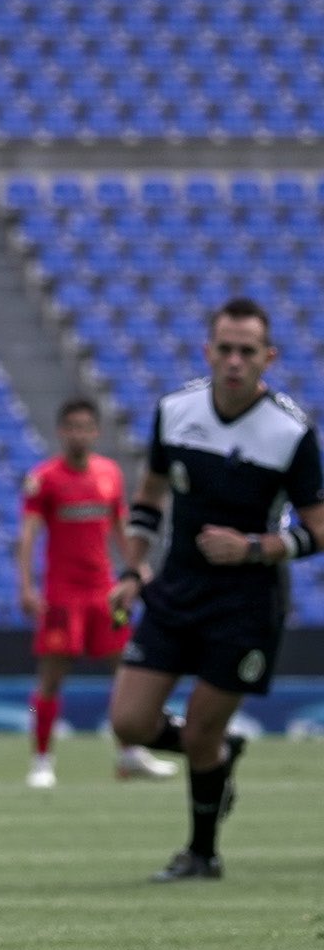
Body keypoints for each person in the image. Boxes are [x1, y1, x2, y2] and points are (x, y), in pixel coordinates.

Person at [108, 298, 323, 881]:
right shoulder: (175, 411)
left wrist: (254, 547)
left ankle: (202, 854)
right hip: (176, 588)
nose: (234, 361)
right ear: (207, 351)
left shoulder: (291, 431)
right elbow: (150, 497)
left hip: (247, 602)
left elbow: (318, 528)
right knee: (128, 722)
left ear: (267, 358)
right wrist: (132, 571)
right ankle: (220, 761)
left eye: (247, 351)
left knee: (203, 726)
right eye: (224, 349)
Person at [17, 397, 178, 788]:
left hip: (104, 593)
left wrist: (135, 570)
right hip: (61, 594)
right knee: (53, 675)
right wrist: (26, 585)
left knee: (126, 670)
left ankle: (129, 754)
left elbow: (122, 527)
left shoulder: (109, 475)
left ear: (96, 432)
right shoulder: (46, 478)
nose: (78, 434)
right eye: (71, 427)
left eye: (85, 427)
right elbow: (28, 535)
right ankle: (42, 761)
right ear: (61, 431)